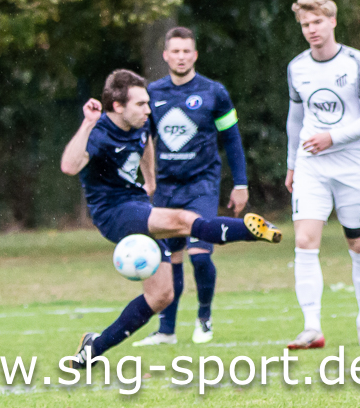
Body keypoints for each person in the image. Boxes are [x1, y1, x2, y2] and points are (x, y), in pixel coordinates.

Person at [60, 69, 282, 367]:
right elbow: (69, 166)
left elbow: (145, 143)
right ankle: (249, 230)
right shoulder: (98, 133)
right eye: (141, 104)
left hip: (137, 202)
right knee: (183, 220)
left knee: (162, 295)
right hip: (113, 213)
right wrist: (87, 123)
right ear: (117, 106)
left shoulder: (139, 124)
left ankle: (92, 348)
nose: (148, 109)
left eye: (148, 102)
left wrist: (150, 180)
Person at [132, 27, 249, 347]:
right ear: (166, 55)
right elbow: (142, 140)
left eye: (187, 51)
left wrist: (240, 183)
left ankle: (204, 318)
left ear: (195, 55)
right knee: (169, 259)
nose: (181, 57)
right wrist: (144, 180)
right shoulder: (152, 93)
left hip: (202, 185)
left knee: (199, 254)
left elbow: (232, 139)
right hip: (167, 189)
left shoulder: (214, 93)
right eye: (175, 51)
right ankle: (167, 331)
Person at [284, 0, 360, 349]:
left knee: (359, 244)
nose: (311, 30)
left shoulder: (359, 64)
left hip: (352, 165)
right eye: (305, 25)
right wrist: (291, 163)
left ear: (332, 22)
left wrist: (333, 137)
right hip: (311, 165)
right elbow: (295, 119)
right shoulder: (297, 67)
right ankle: (312, 327)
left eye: (317, 22)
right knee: (304, 241)